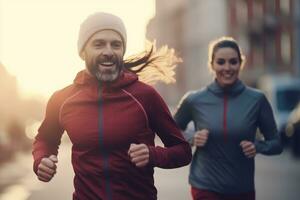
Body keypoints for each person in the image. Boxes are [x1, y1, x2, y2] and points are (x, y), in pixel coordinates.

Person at [32, 12, 192, 200]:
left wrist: (152, 154)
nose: (108, 51)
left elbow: (183, 151)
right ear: (83, 51)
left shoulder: (145, 96)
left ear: (122, 51)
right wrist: (41, 161)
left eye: (116, 44)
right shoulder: (62, 99)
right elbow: (45, 140)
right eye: (98, 44)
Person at [174, 37, 283, 200]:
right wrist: (191, 137)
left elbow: (276, 143)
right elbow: (172, 131)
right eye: (221, 62)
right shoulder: (194, 100)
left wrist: (258, 147)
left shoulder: (257, 100)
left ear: (241, 63)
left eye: (233, 62)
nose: (227, 68)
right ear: (211, 65)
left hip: (242, 189)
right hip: (205, 187)